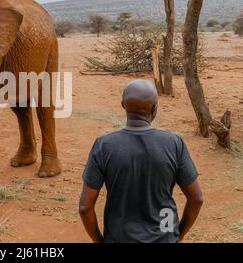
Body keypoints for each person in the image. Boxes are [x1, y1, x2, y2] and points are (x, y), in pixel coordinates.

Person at [79, 79, 203, 243]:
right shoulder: (173, 144)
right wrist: (178, 235)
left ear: (123, 105)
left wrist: (99, 240)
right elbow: (196, 199)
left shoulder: (104, 146)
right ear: (154, 108)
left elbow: (85, 207)